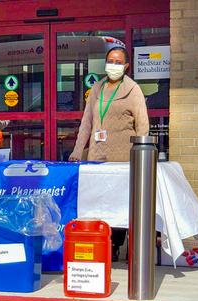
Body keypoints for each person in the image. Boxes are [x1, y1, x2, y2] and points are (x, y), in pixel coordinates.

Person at [69, 46, 149, 261]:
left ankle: (116, 244)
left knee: (120, 202)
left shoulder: (133, 90)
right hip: (97, 155)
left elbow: (143, 126)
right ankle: (101, 241)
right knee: (99, 201)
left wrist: (140, 156)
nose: (113, 65)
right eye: (110, 61)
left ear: (126, 66)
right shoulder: (97, 88)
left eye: (117, 62)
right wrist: (78, 151)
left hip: (123, 157)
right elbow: (86, 122)